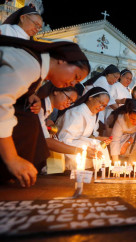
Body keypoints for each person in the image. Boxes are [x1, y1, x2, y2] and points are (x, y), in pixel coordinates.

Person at [0, 35, 90, 188]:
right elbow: (1, 104)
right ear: (62, 60)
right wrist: (12, 158)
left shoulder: (37, 69)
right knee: (28, 121)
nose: (73, 83)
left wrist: (30, 94)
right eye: (76, 76)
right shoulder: (30, 66)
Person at [56, 87, 112, 170]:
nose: (101, 107)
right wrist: (86, 147)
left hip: (78, 142)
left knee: (99, 145)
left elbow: (88, 135)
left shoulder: (93, 114)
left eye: (104, 106)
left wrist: (100, 139)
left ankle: (103, 170)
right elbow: (64, 139)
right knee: (92, 146)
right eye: (100, 103)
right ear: (90, 98)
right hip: (66, 146)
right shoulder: (77, 112)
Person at [81, 64, 120, 135]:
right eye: (115, 77)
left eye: (117, 79)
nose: (116, 80)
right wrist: (121, 111)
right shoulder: (102, 80)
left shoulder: (106, 82)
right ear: (108, 74)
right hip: (87, 110)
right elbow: (110, 100)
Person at [104, 69, 133, 135]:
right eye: (127, 78)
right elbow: (108, 99)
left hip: (123, 117)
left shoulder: (128, 91)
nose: (128, 80)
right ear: (121, 77)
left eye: (130, 79)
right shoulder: (115, 86)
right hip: (112, 113)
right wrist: (120, 101)